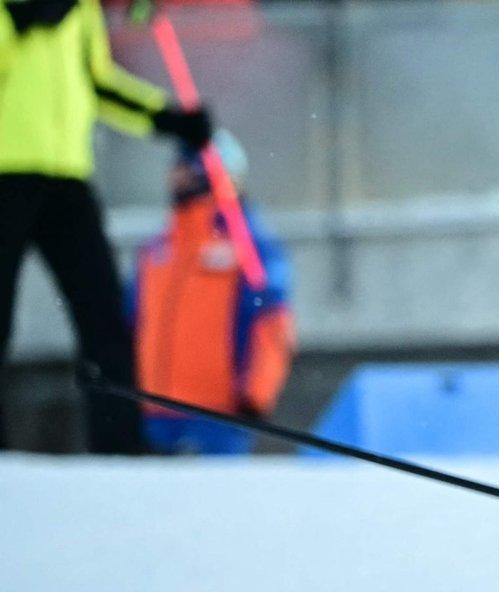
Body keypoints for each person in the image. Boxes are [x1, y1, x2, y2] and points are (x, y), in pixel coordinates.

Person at [1, 0, 212, 452]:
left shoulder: (79, 11)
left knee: (103, 315)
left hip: (66, 178)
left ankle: (119, 445)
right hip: (4, 177)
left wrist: (165, 117)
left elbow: (98, 84)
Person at [130, 134, 295, 454]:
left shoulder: (250, 246)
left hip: (218, 417)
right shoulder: (157, 248)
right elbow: (133, 321)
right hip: (156, 415)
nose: (175, 176)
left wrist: (256, 395)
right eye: (175, 167)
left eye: (186, 167)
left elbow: (273, 322)